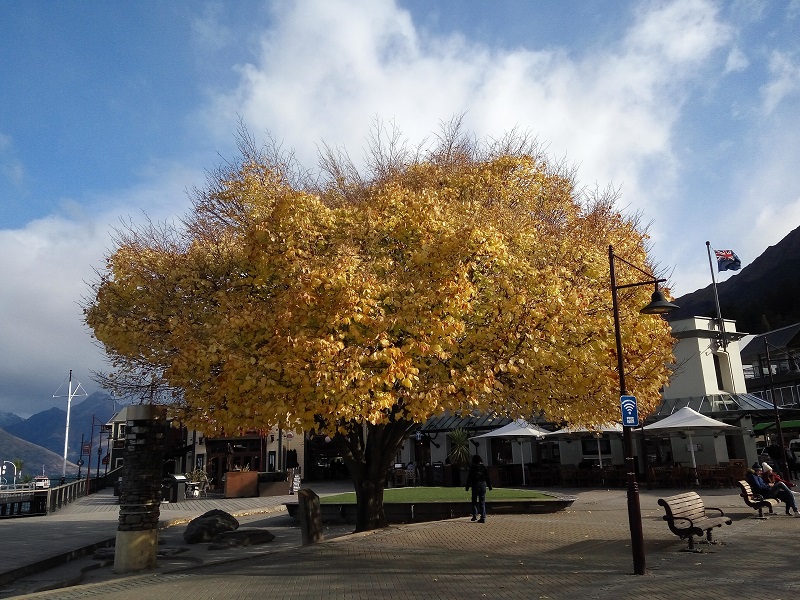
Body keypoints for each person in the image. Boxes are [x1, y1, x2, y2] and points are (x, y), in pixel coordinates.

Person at [465, 454, 492, 523]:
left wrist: (467, 486)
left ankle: (474, 515)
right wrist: (489, 486)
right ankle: (483, 516)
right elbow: (487, 477)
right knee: (482, 501)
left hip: (475, 485)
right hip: (483, 485)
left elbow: (469, 477)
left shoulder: (473, 467)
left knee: (474, 501)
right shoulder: (484, 467)